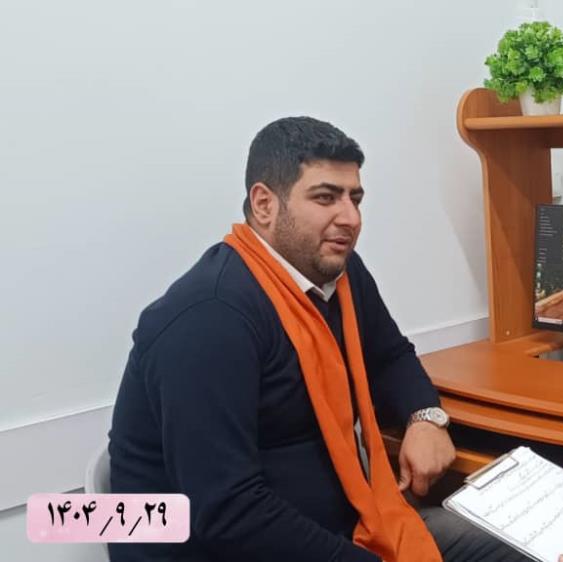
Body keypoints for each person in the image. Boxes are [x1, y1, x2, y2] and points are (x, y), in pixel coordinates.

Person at [108, 116, 526, 562]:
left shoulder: (338, 274)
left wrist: (425, 418)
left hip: (349, 529)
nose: (350, 218)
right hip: (233, 552)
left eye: (355, 198)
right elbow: (229, 513)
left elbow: (389, 356)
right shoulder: (209, 318)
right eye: (326, 197)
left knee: (522, 545)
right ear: (264, 204)